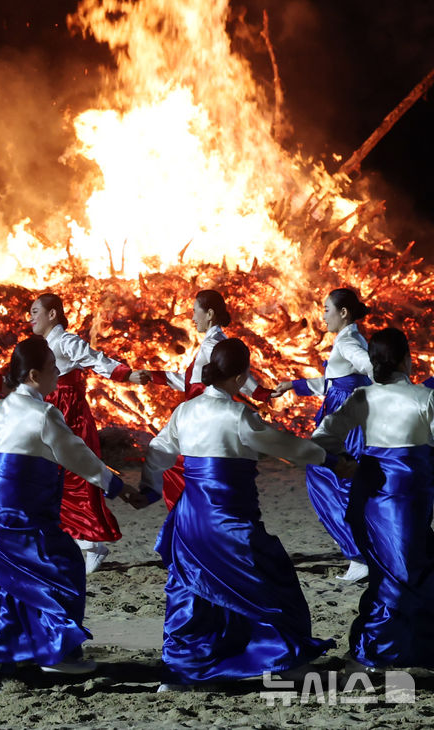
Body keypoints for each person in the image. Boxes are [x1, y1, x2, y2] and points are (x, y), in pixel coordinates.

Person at [0, 335, 138, 695]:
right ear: (35, 375)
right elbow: (78, 455)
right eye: (53, 368)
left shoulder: (3, 408)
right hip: (21, 513)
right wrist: (116, 486)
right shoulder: (45, 414)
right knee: (61, 567)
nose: (58, 373)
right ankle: (54, 651)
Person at [139, 338, 347, 689]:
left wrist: (148, 487)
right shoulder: (238, 416)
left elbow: (159, 449)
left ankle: (182, 671)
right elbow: (286, 446)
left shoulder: (185, 411)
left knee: (192, 590)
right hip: (229, 517)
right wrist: (330, 460)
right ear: (239, 377)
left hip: (190, 518)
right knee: (271, 579)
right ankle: (284, 659)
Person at [312, 327, 434, 670]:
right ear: (407, 360)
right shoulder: (423, 398)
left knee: (390, 571)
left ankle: (388, 646)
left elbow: (322, 437)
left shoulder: (363, 397)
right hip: (405, 498)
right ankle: (383, 649)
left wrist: (342, 462)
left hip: (368, 495)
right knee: (404, 572)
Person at [29, 293, 150, 574]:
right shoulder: (43, 345)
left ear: (52, 314)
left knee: (75, 476)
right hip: (49, 410)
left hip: (69, 414)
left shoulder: (65, 341)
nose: (30, 318)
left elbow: (93, 359)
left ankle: (91, 543)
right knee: (47, 476)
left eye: (35, 311)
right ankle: (70, 542)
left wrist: (126, 374)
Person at [272, 288, 373, 582]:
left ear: (344, 312)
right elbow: (334, 382)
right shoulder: (350, 338)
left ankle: (359, 554)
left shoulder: (349, 341)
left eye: (327, 309)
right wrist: (293, 385)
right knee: (341, 481)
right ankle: (364, 551)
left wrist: (386, 386)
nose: (323, 315)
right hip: (349, 419)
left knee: (329, 480)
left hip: (345, 423)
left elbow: (370, 367)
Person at [149, 289, 271, 509]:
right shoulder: (211, 341)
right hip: (197, 416)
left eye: (195, 311)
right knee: (183, 473)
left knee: (180, 472)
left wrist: (260, 393)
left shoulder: (213, 343)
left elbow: (235, 370)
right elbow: (192, 382)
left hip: (201, 418)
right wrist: (154, 376)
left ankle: (195, 518)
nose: (192, 317)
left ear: (210, 313)